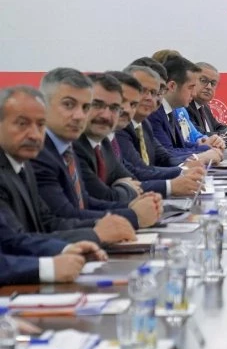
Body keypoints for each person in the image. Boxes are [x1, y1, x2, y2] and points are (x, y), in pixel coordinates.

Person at [0, 85, 135, 245]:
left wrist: (102, 226)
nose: (34, 135)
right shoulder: (38, 158)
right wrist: (96, 234)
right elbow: (11, 242)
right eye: (22, 124)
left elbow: (47, 222)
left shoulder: (24, 165)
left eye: (41, 125)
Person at [31, 68, 161, 230]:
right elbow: (63, 216)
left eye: (86, 107)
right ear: (42, 105)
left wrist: (131, 207)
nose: (79, 115)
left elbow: (84, 202)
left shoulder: (67, 148)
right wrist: (133, 216)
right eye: (68, 104)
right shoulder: (39, 152)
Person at [112, 69, 204, 197]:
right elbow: (137, 173)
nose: (150, 98)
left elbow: (163, 157)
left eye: (154, 93)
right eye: (143, 91)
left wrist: (184, 169)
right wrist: (172, 183)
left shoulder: (144, 123)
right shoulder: (119, 129)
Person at [73, 73, 142, 203]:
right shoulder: (73, 146)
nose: (106, 115)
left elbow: (133, 180)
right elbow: (104, 198)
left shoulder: (104, 142)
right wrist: (126, 189)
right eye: (97, 105)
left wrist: (121, 188)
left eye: (114, 108)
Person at [147, 55, 223, 164]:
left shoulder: (171, 111)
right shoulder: (154, 113)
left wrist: (206, 147)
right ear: (172, 86)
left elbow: (181, 146)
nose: (194, 92)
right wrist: (202, 155)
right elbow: (166, 155)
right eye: (191, 87)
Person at [187, 62, 227, 140]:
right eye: (203, 80)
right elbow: (199, 135)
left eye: (213, 83)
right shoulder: (185, 106)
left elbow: (217, 127)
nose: (209, 87)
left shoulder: (204, 106)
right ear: (190, 81)